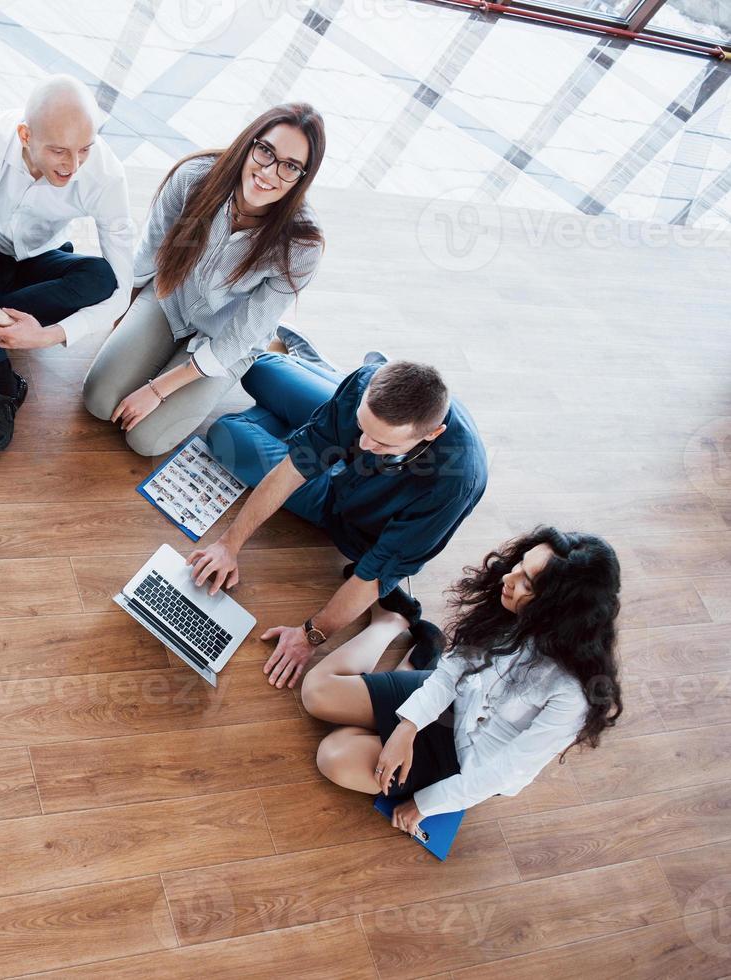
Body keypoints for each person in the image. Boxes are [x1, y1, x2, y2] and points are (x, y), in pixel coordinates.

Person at [188, 346, 488, 689]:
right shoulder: (366, 384)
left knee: (226, 432)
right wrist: (229, 544)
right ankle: (324, 406)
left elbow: (374, 575)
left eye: (382, 443)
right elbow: (293, 469)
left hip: (346, 512)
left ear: (430, 434)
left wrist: (309, 636)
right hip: (339, 442)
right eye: (362, 427)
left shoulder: (454, 485)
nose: (363, 444)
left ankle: (303, 418)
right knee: (259, 368)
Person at [298, 528, 623, 838]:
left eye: (526, 582)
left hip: (464, 762)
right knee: (316, 692)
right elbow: (453, 671)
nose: (508, 578)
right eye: (520, 564)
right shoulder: (507, 608)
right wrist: (407, 726)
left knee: (334, 756)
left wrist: (425, 805)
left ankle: (415, 659)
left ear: (558, 608)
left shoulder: (572, 693)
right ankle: (392, 623)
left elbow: (507, 772)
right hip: (451, 699)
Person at [82, 103, 325, 457]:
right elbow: (146, 257)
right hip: (170, 302)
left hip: (226, 340)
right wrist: (118, 322)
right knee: (99, 400)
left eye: (289, 167)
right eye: (266, 151)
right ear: (250, 143)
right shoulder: (192, 177)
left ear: (302, 177)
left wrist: (157, 389)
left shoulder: (301, 246)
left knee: (145, 440)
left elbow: (239, 336)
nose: (269, 172)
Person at [0, 75, 135, 452]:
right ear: (25, 135)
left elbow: (121, 292)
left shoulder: (105, 175)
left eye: (85, 148)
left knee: (100, 277)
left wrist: (47, 335)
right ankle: (5, 386)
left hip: (36, 256)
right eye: (60, 151)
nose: (74, 165)